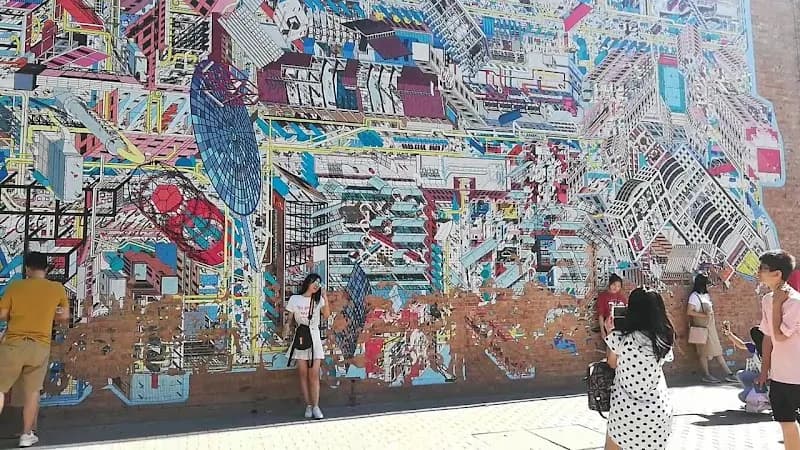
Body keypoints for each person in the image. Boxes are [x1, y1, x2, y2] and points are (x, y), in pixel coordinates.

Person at [0, 252, 69, 448]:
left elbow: (2, 315)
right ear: (46, 269)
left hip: (13, 345)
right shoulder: (56, 289)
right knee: (32, 392)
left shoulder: (16, 287)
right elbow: (64, 316)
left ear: (27, 269)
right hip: (39, 347)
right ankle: (27, 434)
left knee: (0, 389)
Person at [603, 288, 675, 450]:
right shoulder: (662, 341)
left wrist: (610, 331)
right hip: (658, 414)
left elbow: (611, 363)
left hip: (625, 413)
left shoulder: (621, 339)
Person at [755, 250, 800, 450]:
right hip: (781, 375)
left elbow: (780, 335)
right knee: (786, 423)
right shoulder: (767, 300)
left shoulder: (795, 302)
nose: (758, 272)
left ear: (777, 274)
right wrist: (765, 370)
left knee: (790, 424)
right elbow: (767, 336)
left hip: (797, 374)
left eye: (763, 268)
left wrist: (777, 305)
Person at [283, 273, 330, 420]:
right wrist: (286, 327)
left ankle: (316, 406)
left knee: (314, 374)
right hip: (301, 337)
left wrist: (325, 297)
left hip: (314, 336)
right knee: (303, 374)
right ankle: (308, 405)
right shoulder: (295, 299)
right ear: (308, 282)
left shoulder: (318, 300)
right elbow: (289, 318)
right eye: (314, 282)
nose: (316, 285)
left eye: (319, 283)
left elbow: (327, 315)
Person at [686, 274, 737, 383]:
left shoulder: (706, 295)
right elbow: (689, 311)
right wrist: (704, 316)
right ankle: (707, 374)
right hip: (701, 328)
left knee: (717, 350)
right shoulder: (694, 296)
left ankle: (729, 373)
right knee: (703, 352)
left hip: (710, 327)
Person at [722, 322, 767, 405]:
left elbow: (740, 344)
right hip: (769, 378)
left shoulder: (756, 348)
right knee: (741, 374)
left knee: (743, 395)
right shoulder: (768, 347)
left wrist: (729, 334)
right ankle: (756, 393)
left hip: (763, 378)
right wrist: (729, 334)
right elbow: (741, 344)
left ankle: (759, 396)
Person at [597, 274, 626, 340]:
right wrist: (602, 331)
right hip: (609, 325)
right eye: (614, 285)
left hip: (621, 326)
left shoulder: (622, 297)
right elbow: (600, 315)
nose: (616, 288)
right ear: (610, 284)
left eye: (618, 286)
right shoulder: (603, 297)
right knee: (610, 345)